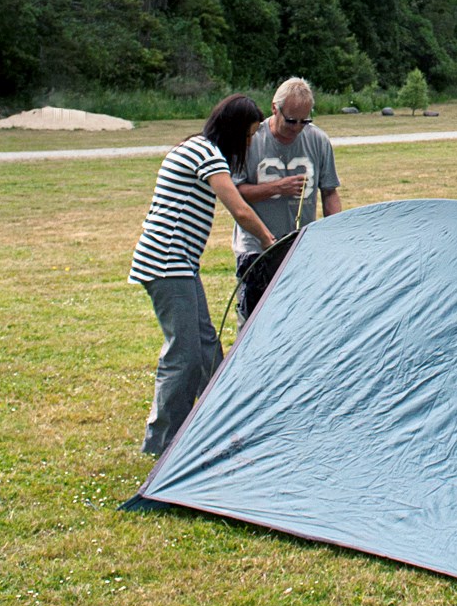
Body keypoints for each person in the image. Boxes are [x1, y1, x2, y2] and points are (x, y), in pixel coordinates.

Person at [129, 94, 277, 456]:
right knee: (185, 356)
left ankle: (223, 425)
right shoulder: (205, 154)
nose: (247, 143)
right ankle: (162, 443)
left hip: (180, 265)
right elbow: (240, 210)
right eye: (247, 135)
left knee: (208, 349)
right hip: (167, 264)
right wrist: (271, 242)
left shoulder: (195, 147)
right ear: (233, 129)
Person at [233, 77, 342, 323]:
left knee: (300, 319)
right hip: (256, 249)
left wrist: (334, 234)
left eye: (305, 121)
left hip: (301, 247)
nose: (297, 127)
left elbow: (330, 192)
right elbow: (236, 193)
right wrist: (277, 187)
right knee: (256, 320)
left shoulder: (318, 140)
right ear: (275, 108)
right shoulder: (252, 139)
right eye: (291, 120)